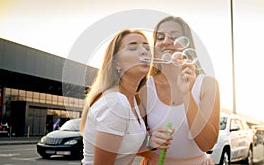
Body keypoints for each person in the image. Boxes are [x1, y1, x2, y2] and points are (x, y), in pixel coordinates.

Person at [139, 16, 221, 165]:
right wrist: (150, 142)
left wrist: (186, 93)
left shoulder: (208, 84)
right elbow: (129, 141)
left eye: (174, 36)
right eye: (160, 37)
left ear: (186, 43)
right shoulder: (144, 87)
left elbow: (207, 144)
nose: (166, 42)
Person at [80, 29, 152, 165]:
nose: (144, 51)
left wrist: (152, 142)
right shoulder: (115, 102)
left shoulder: (132, 100)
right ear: (116, 63)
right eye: (133, 47)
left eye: (146, 47)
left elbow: (125, 148)